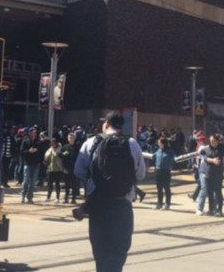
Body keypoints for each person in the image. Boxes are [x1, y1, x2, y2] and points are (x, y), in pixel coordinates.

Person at [74, 111, 146, 272]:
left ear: (106, 124)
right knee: (118, 252)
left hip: (97, 205)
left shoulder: (91, 142)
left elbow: (78, 171)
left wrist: (96, 179)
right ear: (121, 126)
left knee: (100, 252)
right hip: (122, 204)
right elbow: (140, 174)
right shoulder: (132, 143)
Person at [204, 134, 224, 216]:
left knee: (218, 192)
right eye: (210, 141)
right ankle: (211, 209)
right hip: (209, 173)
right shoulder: (207, 149)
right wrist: (212, 160)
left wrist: (212, 160)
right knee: (209, 193)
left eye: (213, 141)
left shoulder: (221, 148)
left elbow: (218, 159)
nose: (212, 142)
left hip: (218, 174)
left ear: (217, 141)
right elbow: (205, 158)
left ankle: (219, 210)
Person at [152, 137, 175, 210]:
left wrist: (169, 165)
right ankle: (159, 204)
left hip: (166, 171)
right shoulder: (158, 150)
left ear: (163, 143)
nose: (158, 144)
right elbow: (154, 156)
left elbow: (173, 160)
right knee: (159, 188)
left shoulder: (170, 151)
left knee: (166, 188)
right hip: (158, 171)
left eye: (159, 143)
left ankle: (167, 204)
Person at [20, 127, 42, 204]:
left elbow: (41, 152)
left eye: (35, 133)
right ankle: (23, 195)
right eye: (33, 133)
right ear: (29, 133)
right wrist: (29, 151)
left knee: (33, 182)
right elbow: (22, 152)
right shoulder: (25, 141)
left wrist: (40, 160)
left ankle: (29, 197)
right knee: (26, 180)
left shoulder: (38, 142)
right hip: (28, 164)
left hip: (36, 164)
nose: (34, 134)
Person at [59, 132, 80, 204]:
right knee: (67, 184)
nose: (71, 139)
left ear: (74, 138)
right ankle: (66, 198)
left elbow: (80, 157)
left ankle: (73, 198)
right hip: (66, 168)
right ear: (67, 139)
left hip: (75, 168)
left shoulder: (77, 147)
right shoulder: (65, 147)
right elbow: (59, 155)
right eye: (69, 138)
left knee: (74, 184)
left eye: (72, 138)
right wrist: (63, 154)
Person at [44, 138, 63, 202]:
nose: (52, 144)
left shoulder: (60, 149)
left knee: (57, 184)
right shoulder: (49, 150)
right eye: (51, 143)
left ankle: (57, 197)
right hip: (50, 169)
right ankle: (48, 197)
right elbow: (46, 159)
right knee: (50, 184)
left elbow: (62, 156)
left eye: (54, 143)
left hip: (58, 169)